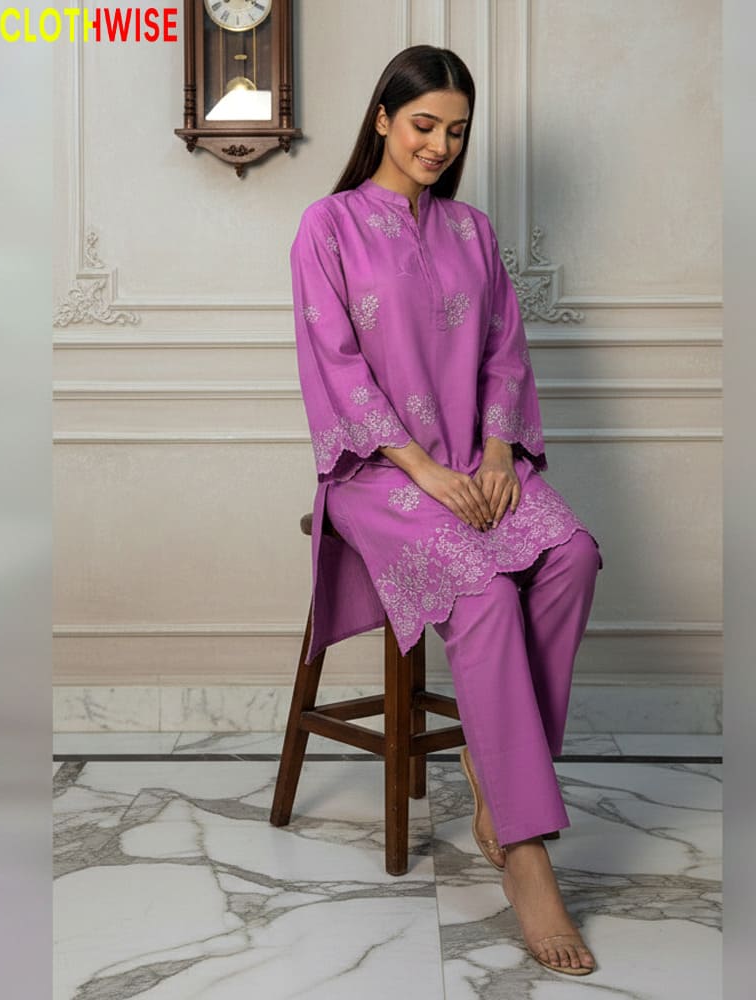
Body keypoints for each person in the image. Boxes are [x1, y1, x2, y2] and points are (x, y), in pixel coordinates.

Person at [289, 44, 603, 977]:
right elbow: (335, 364)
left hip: (477, 458)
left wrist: (500, 447)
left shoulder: (471, 229)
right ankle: (525, 852)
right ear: (383, 118)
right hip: (379, 472)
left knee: (573, 554)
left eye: (455, 130)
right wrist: (421, 466)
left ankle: (497, 779)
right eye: (423, 123)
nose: (438, 143)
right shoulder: (328, 226)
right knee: (481, 587)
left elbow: (505, 349)